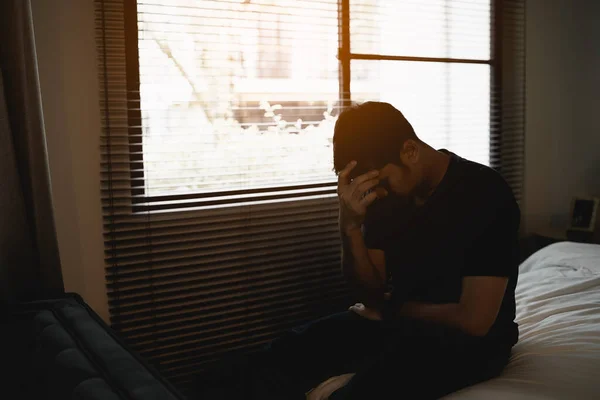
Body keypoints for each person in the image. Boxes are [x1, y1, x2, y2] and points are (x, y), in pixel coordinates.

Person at [193, 101, 520, 400]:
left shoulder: (484, 194)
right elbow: (369, 291)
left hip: (471, 344)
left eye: (383, 181)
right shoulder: (387, 195)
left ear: (409, 150)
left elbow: (474, 321)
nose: (378, 192)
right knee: (255, 366)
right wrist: (349, 225)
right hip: (397, 321)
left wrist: (390, 309)